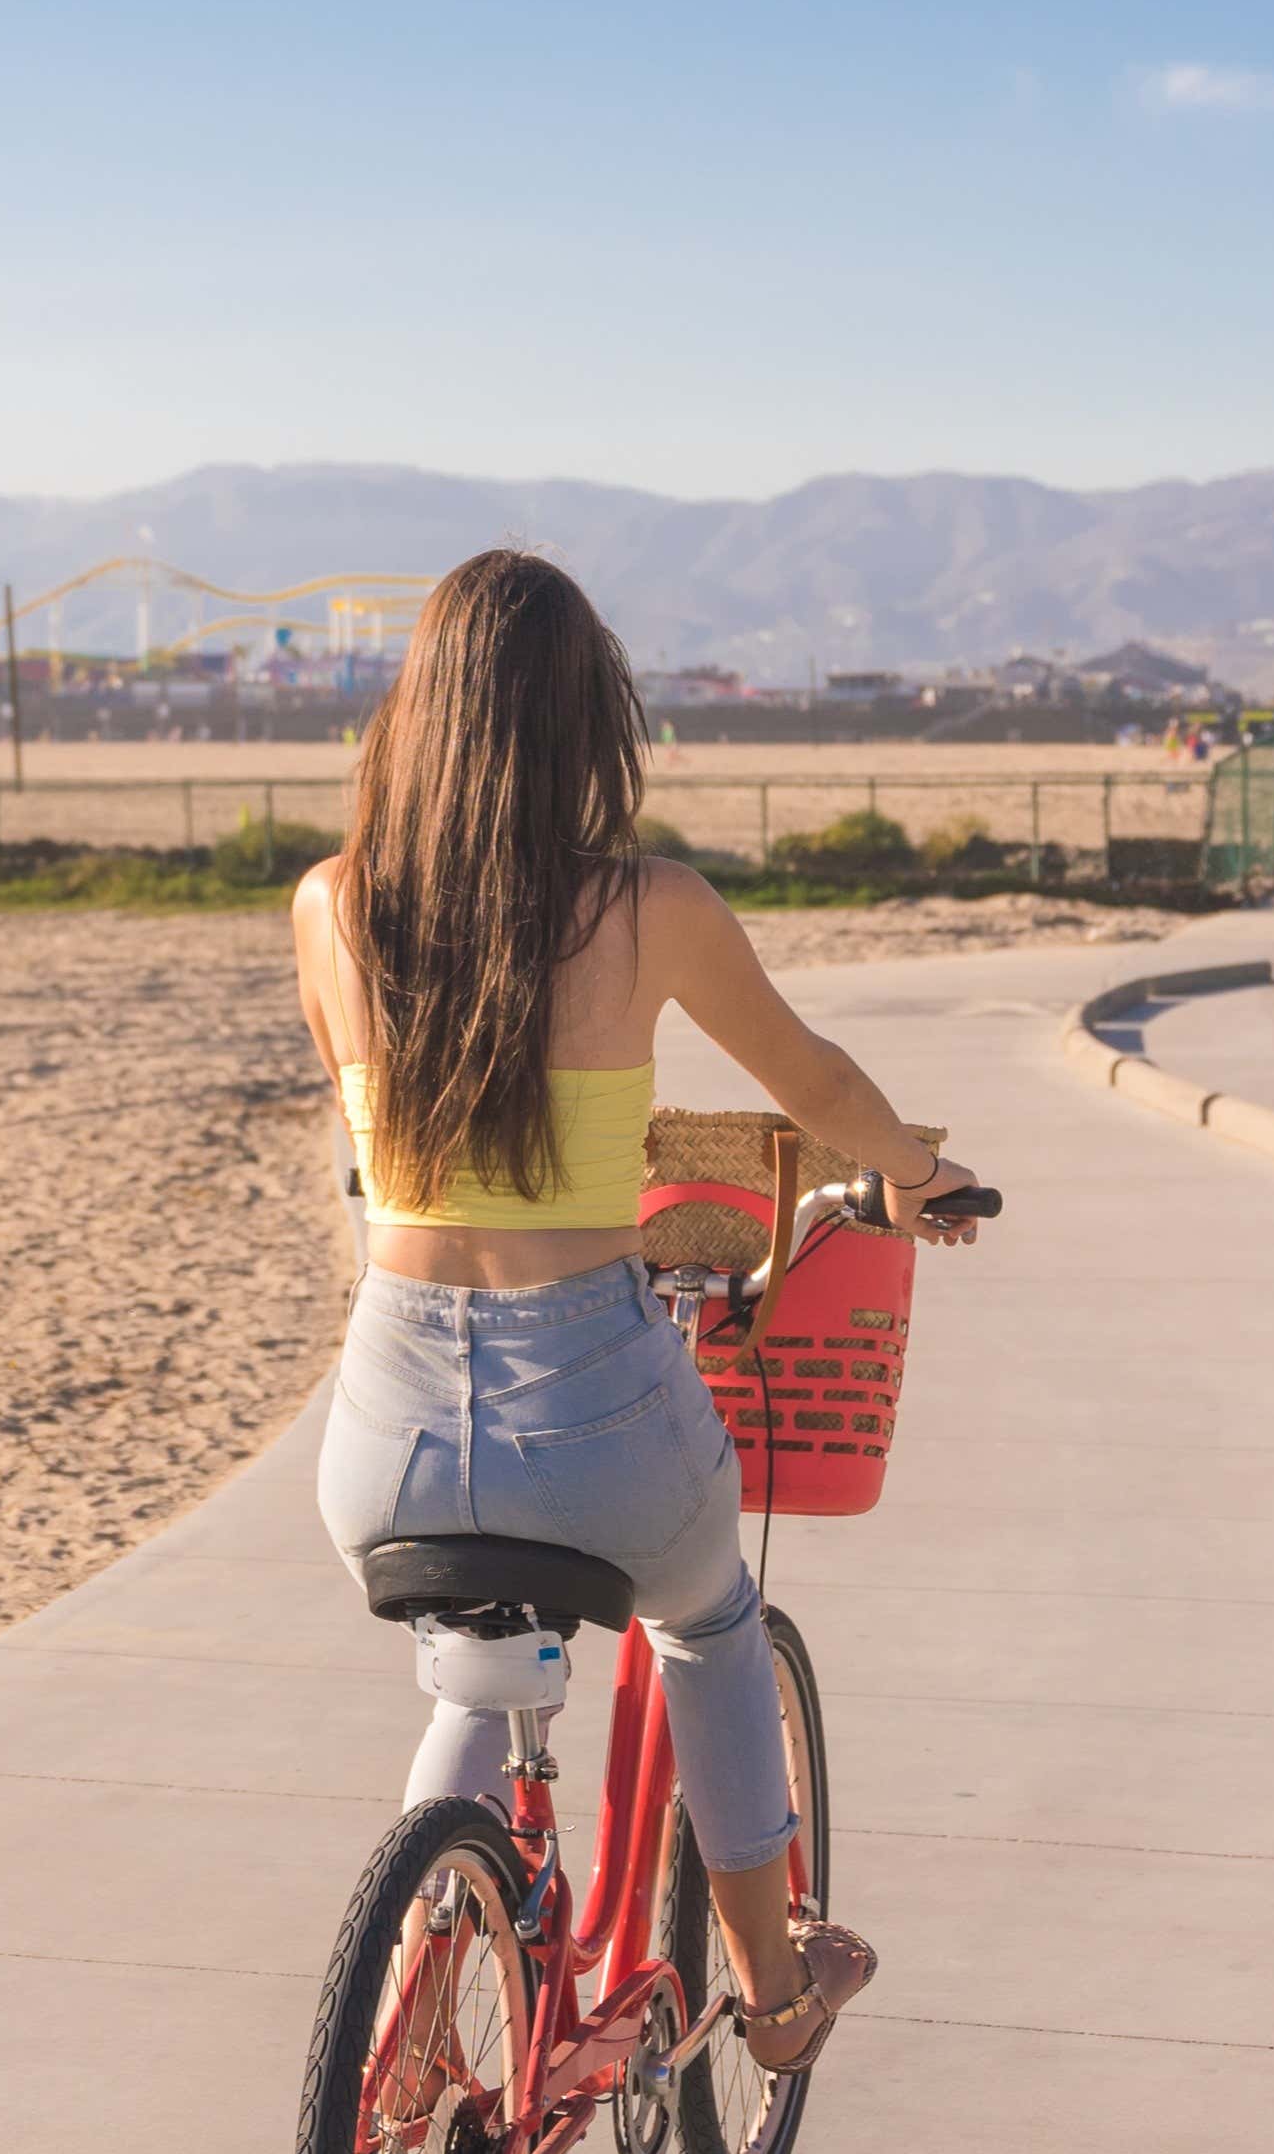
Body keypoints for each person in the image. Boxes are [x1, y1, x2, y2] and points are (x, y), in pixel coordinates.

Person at [290, 548, 967, 2076]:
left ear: (417, 717)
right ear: (582, 719)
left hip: (382, 1421)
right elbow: (820, 1089)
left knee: (473, 1661)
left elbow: (384, 1139)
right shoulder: (646, 902)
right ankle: (774, 1984)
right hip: (582, 1395)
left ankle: (408, 2009)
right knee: (709, 1620)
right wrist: (915, 1177)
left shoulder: (330, 905)